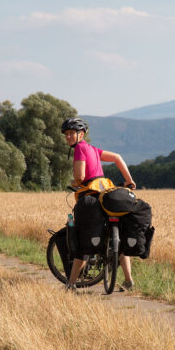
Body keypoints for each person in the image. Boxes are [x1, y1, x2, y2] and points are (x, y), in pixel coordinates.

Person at [61, 117, 136, 293]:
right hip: (107, 192)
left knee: (85, 239)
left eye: (72, 133)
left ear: (81, 134)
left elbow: (80, 178)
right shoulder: (93, 149)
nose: (68, 137)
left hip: (91, 195)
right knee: (118, 234)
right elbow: (117, 157)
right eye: (66, 134)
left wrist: (73, 182)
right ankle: (128, 279)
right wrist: (129, 181)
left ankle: (71, 284)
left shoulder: (80, 148)